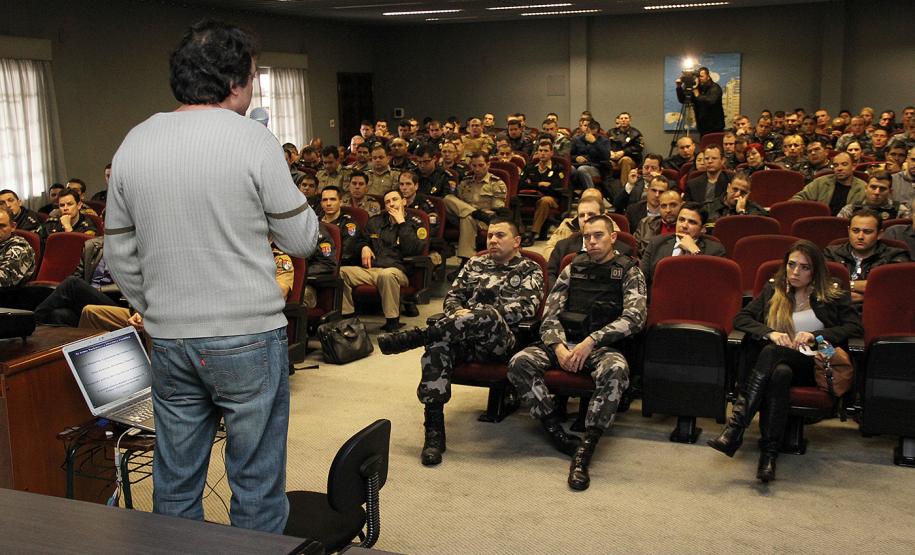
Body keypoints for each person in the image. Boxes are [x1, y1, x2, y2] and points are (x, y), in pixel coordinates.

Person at [104, 20, 318, 533]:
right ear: (234, 82)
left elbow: (118, 251)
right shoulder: (253, 140)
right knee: (255, 480)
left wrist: (156, 308)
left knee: (174, 481)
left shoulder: (134, 141)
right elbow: (303, 239)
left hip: (171, 339)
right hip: (246, 336)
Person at [377, 218, 543, 465]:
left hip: (501, 342)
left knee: (487, 315)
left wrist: (478, 314)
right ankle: (434, 432)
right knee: (438, 346)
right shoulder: (475, 263)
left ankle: (418, 336)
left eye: (500, 235)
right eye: (489, 236)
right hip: (462, 337)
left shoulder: (530, 269)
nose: (493, 240)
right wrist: (457, 313)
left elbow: (526, 309)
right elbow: (453, 298)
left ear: (516, 241)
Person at [508, 215, 647, 491]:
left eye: (598, 235)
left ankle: (586, 449)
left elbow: (635, 317)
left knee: (616, 369)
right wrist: (558, 346)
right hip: (565, 341)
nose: (592, 242)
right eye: (587, 237)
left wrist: (592, 340)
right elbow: (550, 314)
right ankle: (555, 431)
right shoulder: (573, 268)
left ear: (613, 237)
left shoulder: (629, 271)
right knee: (519, 363)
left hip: (601, 346)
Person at [708, 240, 862, 483]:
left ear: (816, 271)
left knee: (770, 354)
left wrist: (816, 336)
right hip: (780, 363)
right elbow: (742, 318)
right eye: (791, 265)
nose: (795, 272)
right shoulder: (774, 289)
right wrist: (771, 333)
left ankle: (736, 428)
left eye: (804, 267)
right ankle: (768, 457)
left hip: (814, 362)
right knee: (778, 371)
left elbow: (854, 325)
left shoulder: (832, 291)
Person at [339, 189, 426, 331]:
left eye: (395, 200)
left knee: (387, 275)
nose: (391, 204)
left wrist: (402, 223)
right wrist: (364, 247)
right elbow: (360, 240)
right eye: (387, 202)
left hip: (397, 271)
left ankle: (392, 322)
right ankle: (349, 320)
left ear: (404, 201)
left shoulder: (416, 223)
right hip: (372, 270)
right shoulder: (375, 222)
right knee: (342, 272)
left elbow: (414, 250)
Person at [824, 208, 910, 305]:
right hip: (834, 312)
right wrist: (866, 293)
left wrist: (849, 286)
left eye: (867, 232)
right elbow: (823, 285)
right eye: (855, 231)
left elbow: (892, 289)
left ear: (880, 234)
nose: (860, 236)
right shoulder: (831, 253)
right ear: (848, 231)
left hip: (879, 311)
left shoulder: (896, 255)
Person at [640, 202, 727, 286]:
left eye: (692, 222)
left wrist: (695, 251)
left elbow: (712, 285)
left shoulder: (715, 250)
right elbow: (641, 280)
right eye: (681, 220)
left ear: (703, 229)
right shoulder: (656, 243)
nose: (684, 226)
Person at [791, 152, 866, 215]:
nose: (839, 168)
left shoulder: (863, 188)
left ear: (853, 166)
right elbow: (798, 198)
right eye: (836, 165)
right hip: (821, 223)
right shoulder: (820, 182)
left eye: (844, 164)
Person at [520, 139, 565, 240]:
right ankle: (520, 233)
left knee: (544, 201)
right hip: (531, 198)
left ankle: (533, 234)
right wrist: (539, 184)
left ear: (551, 153)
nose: (542, 153)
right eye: (540, 151)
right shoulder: (530, 167)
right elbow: (521, 185)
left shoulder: (558, 168)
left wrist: (531, 184)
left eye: (545, 151)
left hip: (552, 199)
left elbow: (556, 188)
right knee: (514, 201)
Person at [837, 172, 910, 220]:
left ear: (890, 192)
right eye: (873, 187)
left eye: (882, 189)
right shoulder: (850, 209)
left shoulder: (901, 211)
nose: (877, 192)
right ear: (866, 188)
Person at [676, 66, 724, 137]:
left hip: (715, 128)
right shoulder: (697, 88)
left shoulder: (715, 88)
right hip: (702, 128)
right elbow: (683, 100)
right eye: (698, 76)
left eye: (701, 76)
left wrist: (698, 95)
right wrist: (679, 87)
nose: (699, 78)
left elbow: (711, 101)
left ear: (708, 76)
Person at [0, 207, 36, 289]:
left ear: (13, 226)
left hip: (10, 297)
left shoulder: (19, 248)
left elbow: (4, 278)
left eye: (2, 226)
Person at [570, 120, 611, 190]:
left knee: (582, 169)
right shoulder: (577, 140)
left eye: (594, 134)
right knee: (570, 169)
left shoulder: (604, 141)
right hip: (577, 165)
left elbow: (606, 156)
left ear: (598, 133)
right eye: (589, 133)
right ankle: (572, 195)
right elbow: (569, 155)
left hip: (596, 167)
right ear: (586, 131)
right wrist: (576, 158)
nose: (591, 136)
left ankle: (591, 193)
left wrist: (595, 142)